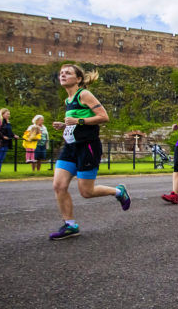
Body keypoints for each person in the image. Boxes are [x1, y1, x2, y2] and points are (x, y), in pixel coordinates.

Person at [49, 64, 131, 240]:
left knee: (86, 192)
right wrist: (65, 125)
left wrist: (77, 121)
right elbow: (78, 122)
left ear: (78, 79)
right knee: (59, 185)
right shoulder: (67, 100)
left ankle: (118, 192)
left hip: (88, 147)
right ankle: (70, 225)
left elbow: (104, 117)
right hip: (70, 147)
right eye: (61, 73)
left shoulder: (84, 94)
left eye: (68, 73)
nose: (63, 75)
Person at [0, 108, 18, 172]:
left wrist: (13, 135)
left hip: (5, 143)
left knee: (1, 159)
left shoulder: (7, 122)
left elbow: (9, 131)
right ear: (2, 114)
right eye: (7, 114)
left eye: (9, 114)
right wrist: (3, 136)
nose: (9, 115)